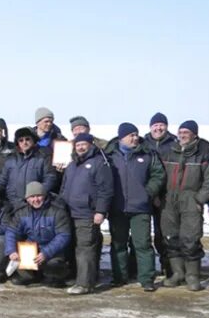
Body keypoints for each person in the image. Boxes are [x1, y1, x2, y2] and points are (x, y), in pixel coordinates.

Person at [105, 123, 165, 291]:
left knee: (143, 244)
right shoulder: (109, 155)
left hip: (141, 208)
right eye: (130, 135)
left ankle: (147, 279)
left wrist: (148, 192)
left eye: (136, 134)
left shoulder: (147, 154)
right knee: (118, 244)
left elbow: (158, 175)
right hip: (117, 208)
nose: (135, 138)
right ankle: (119, 277)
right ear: (121, 137)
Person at [159, 120, 209, 291]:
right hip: (169, 199)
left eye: (186, 132)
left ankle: (192, 276)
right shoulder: (168, 151)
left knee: (190, 238)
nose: (182, 135)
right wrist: (158, 195)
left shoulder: (205, 152)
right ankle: (178, 273)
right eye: (180, 132)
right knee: (170, 237)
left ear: (194, 134)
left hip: (191, 199)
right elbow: (158, 174)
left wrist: (200, 199)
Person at [60, 133, 114, 295]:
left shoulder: (99, 163)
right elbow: (64, 188)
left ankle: (85, 283)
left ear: (91, 145)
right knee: (74, 247)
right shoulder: (72, 165)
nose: (81, 147)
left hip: (87, 213)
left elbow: (106, 190)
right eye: (78, 145)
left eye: (84, 144)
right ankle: (78, 277)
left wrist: (100, 211)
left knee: (85, 248)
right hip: (69, 212)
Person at [5, 182, 72, 288]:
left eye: (38, 196)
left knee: (53, 267)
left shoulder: (58, 211)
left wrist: (46, 252)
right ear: (27, 199)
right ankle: (31, 277)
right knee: (19, 267)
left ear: (44, 196)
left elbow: (63, 236)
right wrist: (11, 250)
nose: (36, 200)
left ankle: (54, 277)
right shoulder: (21, 212)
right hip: (31, 249)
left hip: (52, 251)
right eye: (32, 196)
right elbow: (11, 231)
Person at [141, 112, 178, 277]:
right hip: (144, 194)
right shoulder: (142, 143)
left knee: (164, 233)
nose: (158, 128)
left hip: (166, 195)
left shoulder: (174, 143)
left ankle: (168, 266)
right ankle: (139, 267)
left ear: (167, 127)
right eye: (155, 125)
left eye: (161, 125)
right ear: (150, 127)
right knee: (141, 234)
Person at [0, 127, 58, 207]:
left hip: (36, 204)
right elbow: (2, 180)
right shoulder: (11, 159)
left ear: (33, 140)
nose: (24, 142)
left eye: (27, 139)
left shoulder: (43, 157)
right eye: (21, 140)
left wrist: (36, 195)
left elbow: (50, 178)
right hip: (14, 204)